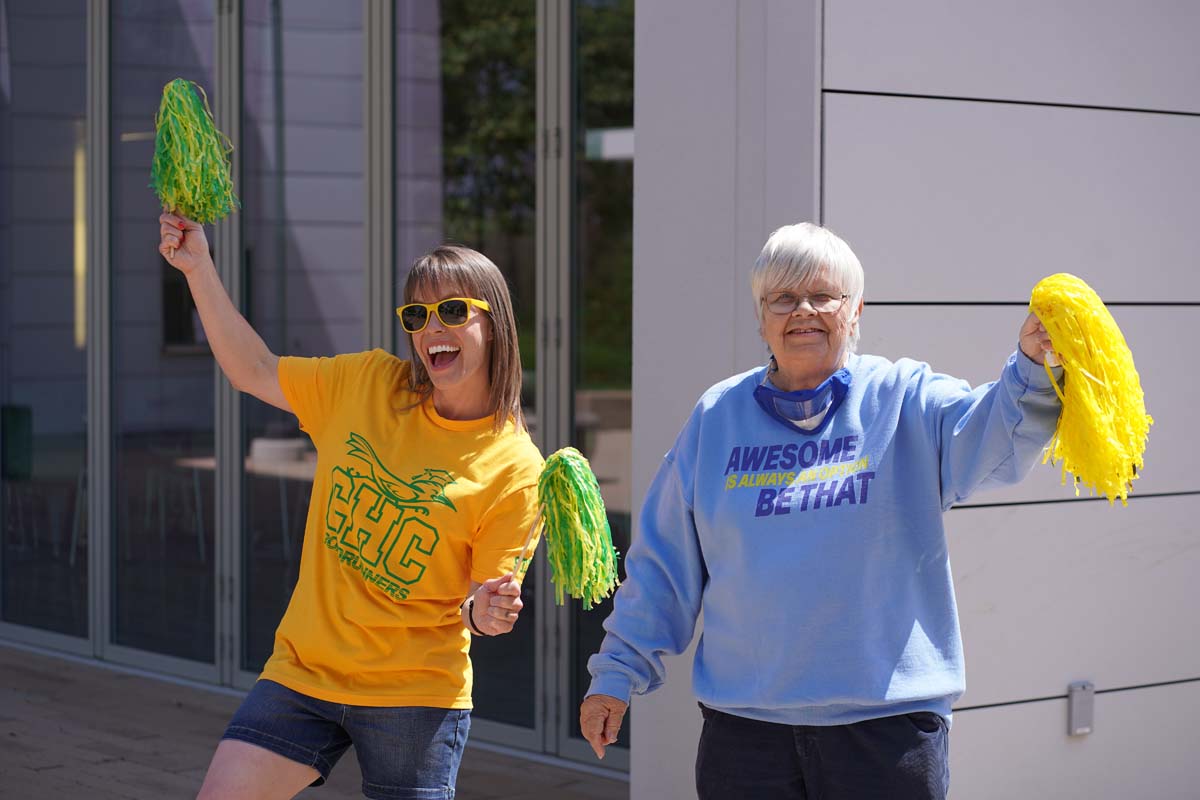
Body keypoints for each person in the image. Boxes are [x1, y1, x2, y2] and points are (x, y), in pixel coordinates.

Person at [579, 222, 1061, 799]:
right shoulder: (716, 417)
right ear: (762, 319)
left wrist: (1031, 367)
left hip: (885, 734)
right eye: (782, 298)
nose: (802, 310)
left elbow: (991, 441)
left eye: (823, 296)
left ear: (855, 310)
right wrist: (616, 671)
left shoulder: (903, 396)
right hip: (747, 736)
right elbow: (663, 565)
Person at [158, 213, 543, 800]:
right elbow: (254, 370)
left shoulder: (516, 467)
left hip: (412, 695)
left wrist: (487, 612)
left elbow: (476, 602)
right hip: (304, 670)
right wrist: (198, 267)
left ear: (495, 324)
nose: (431, 327)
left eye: (453, 311)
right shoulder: (367, 384)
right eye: (416, 315)